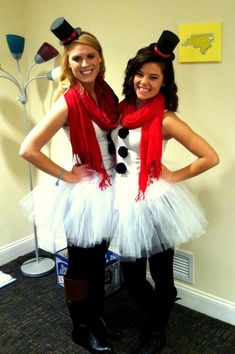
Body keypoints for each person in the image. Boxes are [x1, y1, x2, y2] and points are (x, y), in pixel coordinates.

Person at [111, 30, 219, 353]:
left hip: (155, 201)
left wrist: (174, 175)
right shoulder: (121, 109)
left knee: (160, 273)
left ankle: (156, 327)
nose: (144, 82)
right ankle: (157, 310)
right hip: (124, 199)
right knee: (130, 276)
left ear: (163, 83)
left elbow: (210, 157)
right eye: (140, 74)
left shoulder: (166, 119)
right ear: (132, 76)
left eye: (153, 77)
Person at [19, 17, 120, 353]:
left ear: (100, 58)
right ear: (68, 63)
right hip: (85, 192)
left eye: (90, 56)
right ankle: (81, 326)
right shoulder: (67, 101)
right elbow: (28, 149)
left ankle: (97, 316)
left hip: (110, 186)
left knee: (99, 259)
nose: (84, 64)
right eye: (76, 58)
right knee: (80, 266)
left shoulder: (105, 94)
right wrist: (67, 175)